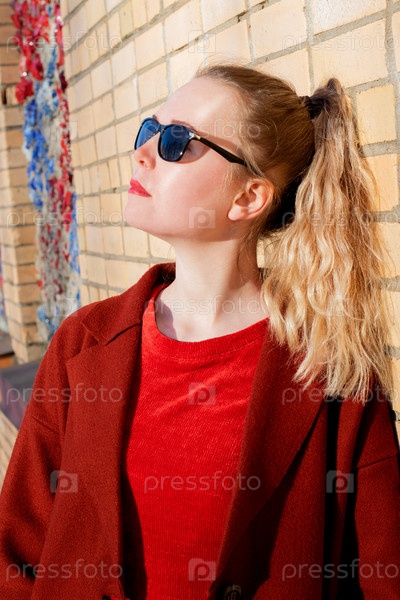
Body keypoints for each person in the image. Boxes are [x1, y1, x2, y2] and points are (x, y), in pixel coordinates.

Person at [0, 62, 399, 600]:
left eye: (177, 141)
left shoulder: (332, 366)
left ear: (248, 197)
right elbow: (18, 552)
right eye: (149, 130)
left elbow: (381, 575)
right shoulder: (83, 342)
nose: (142, 153)